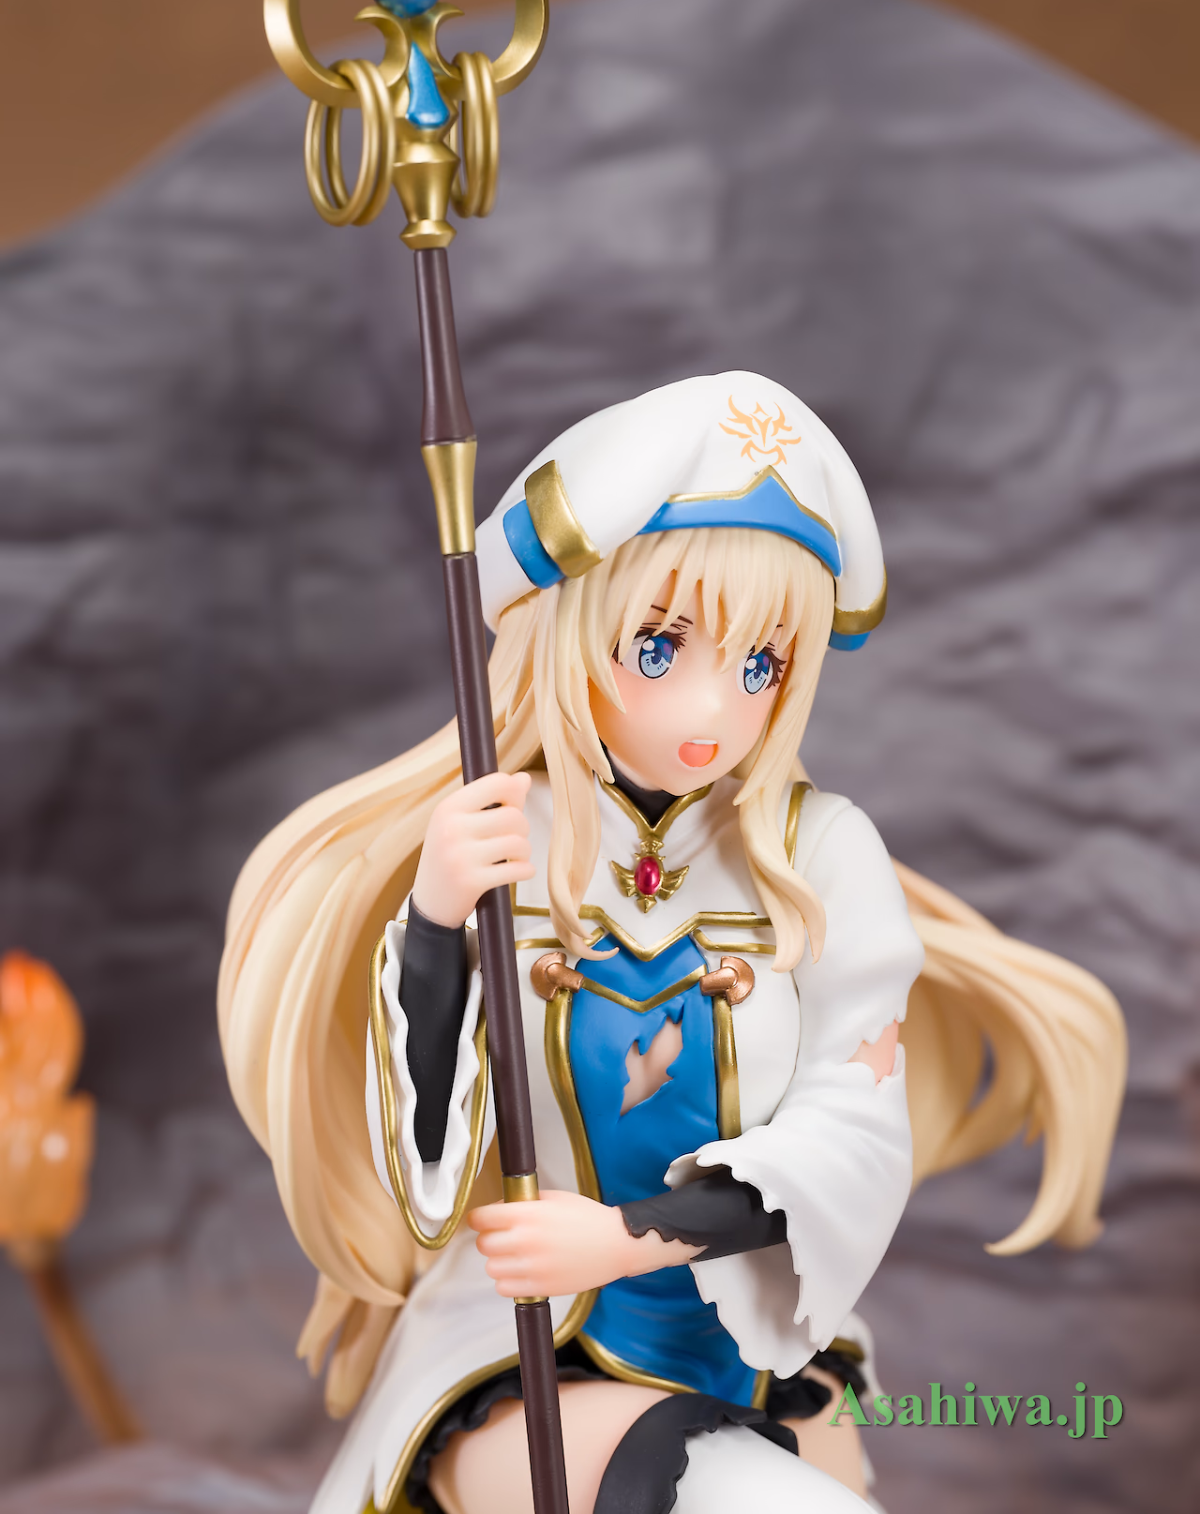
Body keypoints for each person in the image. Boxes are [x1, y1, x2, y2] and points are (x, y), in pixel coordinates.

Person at [218, 372, 1125, 1514]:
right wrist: (438, 919)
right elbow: (430, 1177)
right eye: (658, 647)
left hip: (760, 1340)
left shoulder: (819, 853)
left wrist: (626, 1237)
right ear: (569, 632)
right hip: (522, 1347)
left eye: (759, 667)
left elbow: (853, 1135)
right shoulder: (499, 837)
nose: (711, 713)